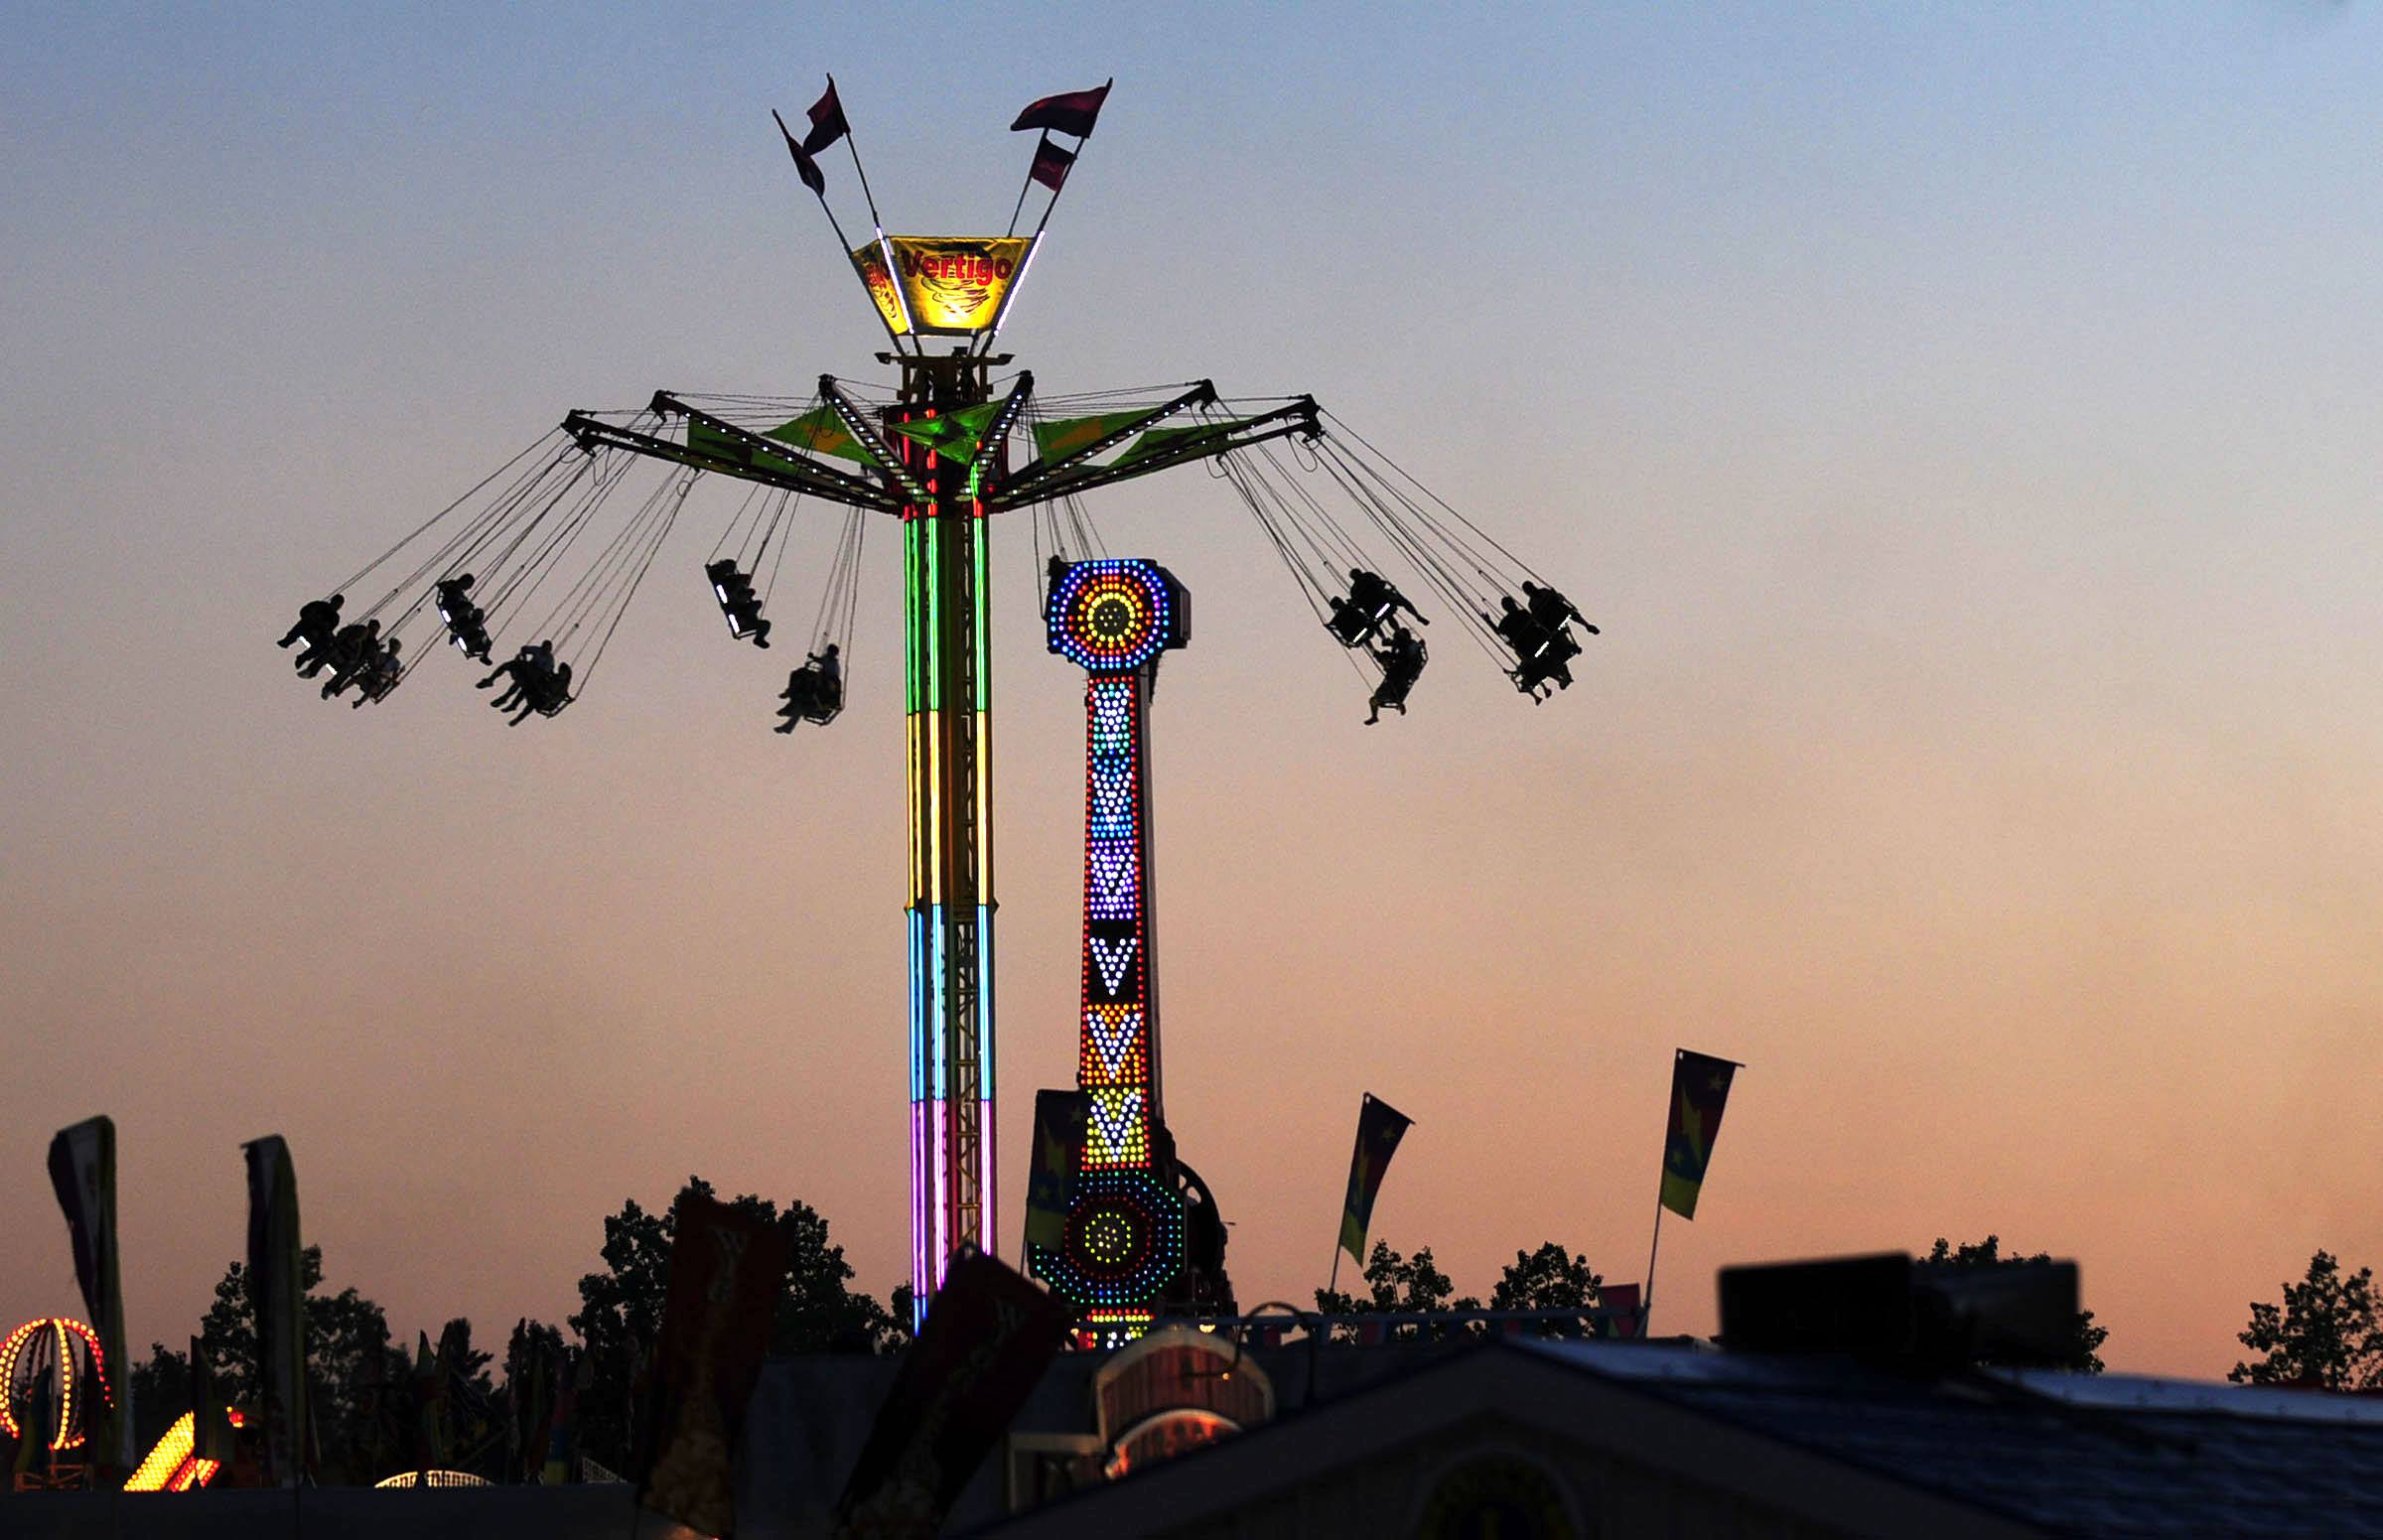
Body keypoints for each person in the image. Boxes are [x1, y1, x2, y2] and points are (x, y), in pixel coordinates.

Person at [1337, 568, 1428, 646]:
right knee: (1403, 603)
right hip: (1384, 600)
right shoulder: (1368, 575)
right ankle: (1417, 616)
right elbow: (1381, 584)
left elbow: (1357, 604)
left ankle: (1387, 636)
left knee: (1382, 619)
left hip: (1374, 610)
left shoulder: (1354, 590)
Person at [1363, 623, 1427, 725]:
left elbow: (1410, 655)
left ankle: (1379, 714)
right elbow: (1392, 654)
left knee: (1380, 695)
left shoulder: (1410, 647)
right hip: (1397, 671)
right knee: (1373, 700)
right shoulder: (1400, 650)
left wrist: (1419, 645)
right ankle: (1374, 717)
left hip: (1402, 671)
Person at [774, 643, 843, 733]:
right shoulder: (827, 660)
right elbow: (821, 661)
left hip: (818, 700)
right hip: (812, 697)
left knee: (800, 707)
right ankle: (787, 722)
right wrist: (813, 658)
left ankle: (787, 724)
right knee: (799, 675)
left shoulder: (833, 666)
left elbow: (830, 677)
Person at [318, 620, 381, 696]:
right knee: (330, 651)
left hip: (354, 660)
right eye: (372, 629)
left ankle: (331, 687)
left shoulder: (373, 644)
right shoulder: (360, 631)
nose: (372, 632)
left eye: (374, 631)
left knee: (347, 670)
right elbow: (344, 633)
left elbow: (373, 657)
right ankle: (313, 669)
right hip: (343, 650)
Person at [348, 636, 403, 706]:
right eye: (392, 647)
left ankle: (359, 702)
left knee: (371, 689)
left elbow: (394, 676)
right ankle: (341, 689)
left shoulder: (396, 663)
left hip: (379, 681)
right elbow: (374, 663)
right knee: (357, 678)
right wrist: (377, 652)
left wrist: (395, 678)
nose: (392, 650)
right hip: (371, 675)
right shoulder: (382, 655)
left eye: (394, 649)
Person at [278, 592, 343, 650]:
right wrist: (312, 617)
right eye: (336, 603)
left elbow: (329, 629)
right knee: (305, 623)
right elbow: (304, 611)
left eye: (338, 605)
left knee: (326, 642)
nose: (336, 606)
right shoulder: (319, 605)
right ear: (332, 600)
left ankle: (305, 656)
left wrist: (322, 627)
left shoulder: (335, 618)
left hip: (318, 634)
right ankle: (287, 641)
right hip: (307, 626)